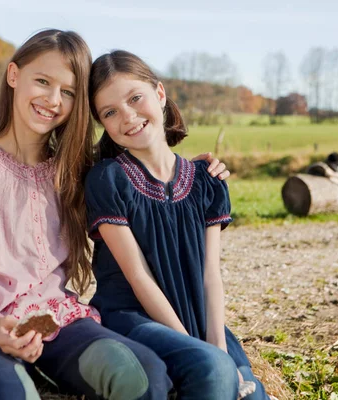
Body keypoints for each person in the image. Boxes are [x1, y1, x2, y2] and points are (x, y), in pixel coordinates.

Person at [0, 30, 230, 400]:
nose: (53, 100)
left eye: (68, 92)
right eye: (42, 81)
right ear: (13, 76)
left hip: (56, 318)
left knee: (142, 375)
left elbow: (137, 176)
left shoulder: (72, 169)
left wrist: (196, 170)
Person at [85, 50, 269, 400]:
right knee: (213, 370)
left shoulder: (207, 180)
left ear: (160, 94)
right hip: (133, 316)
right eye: (110, 112)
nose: (128, 116)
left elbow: (210, 274)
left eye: (135, 98)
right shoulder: (107, 180)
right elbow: (139, 277)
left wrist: (216, 342)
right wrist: (198, 347)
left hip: (197, 311)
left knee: (249, 389)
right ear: (102, 123)